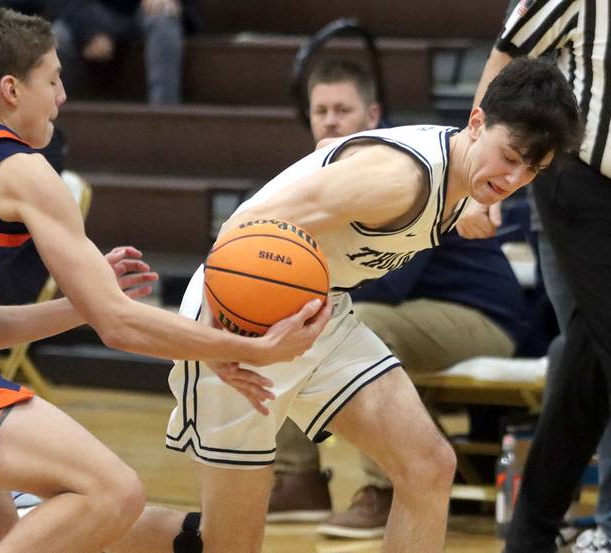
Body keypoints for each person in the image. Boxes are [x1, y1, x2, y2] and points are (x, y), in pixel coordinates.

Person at [0, 7, 330, 553]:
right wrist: (250, 347)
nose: (62, 96)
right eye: (53, 79)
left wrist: (76, 304)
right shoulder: (16, 165)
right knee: (111, 491)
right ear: (11, 89)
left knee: (4, 534)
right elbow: (120, 326)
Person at [104, 56, 582, 553]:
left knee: (428, 465)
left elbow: (334, 150)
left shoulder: (466, 174)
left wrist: (475, 201)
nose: (514, 178)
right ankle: (74, 529)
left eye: (532, 169)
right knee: (226, 544)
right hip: (241, 313)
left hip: (320, 316)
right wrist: (219, 340)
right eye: (510, 158)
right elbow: (238, 229)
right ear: (477, 122)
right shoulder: (398, 180)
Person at [261, 58, 528, 539]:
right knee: (284, 310)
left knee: (359, 321)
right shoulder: (337, 166)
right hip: (418, 309)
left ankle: (387, 488)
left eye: (343, 109)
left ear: (373, 115)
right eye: (320, 110)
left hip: (486, 318)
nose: (330, 120)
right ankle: (297, 478)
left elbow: (387, 284)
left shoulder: (404, 165)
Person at [455, 2, 611, 552]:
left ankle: (531, 531)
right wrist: (470, 175)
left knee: (590, 353)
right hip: (582, 181)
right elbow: (507, 54)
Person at [53, 0, 200, 104]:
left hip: (149, 11)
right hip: (92, 11)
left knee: (164, 15)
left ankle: (166, 116)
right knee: (55, 37)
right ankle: (53, 124)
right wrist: (89, 31)